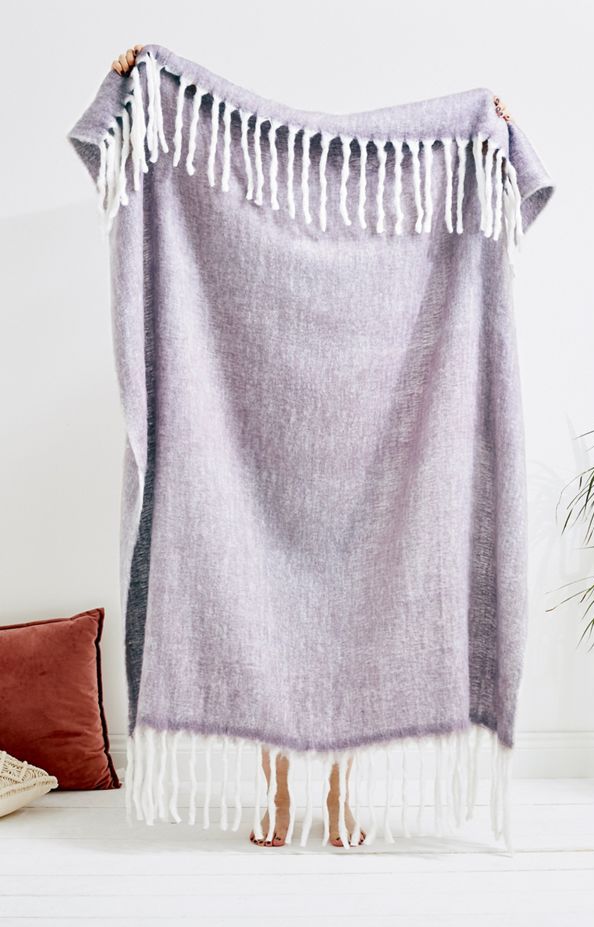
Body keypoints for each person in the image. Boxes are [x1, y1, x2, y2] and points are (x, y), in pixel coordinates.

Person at [110, 46, 365, 848]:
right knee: (268, 634)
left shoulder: (367, 262)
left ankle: (342, 797)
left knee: (350, 637)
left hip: (353, 475)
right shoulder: (253, 258)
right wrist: (134, 78)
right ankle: (278, 795)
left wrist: (484, 128)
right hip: (261, 471)